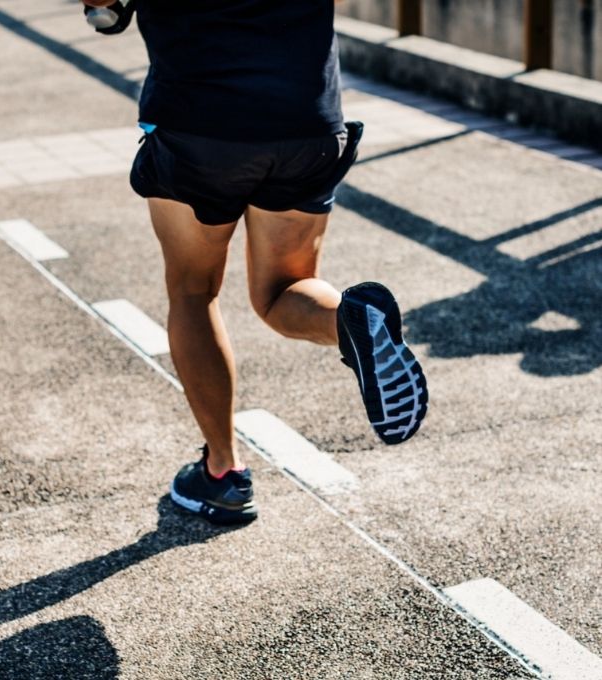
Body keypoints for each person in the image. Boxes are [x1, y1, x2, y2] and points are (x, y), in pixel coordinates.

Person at [83, 0, 428, 525]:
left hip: (199, 123)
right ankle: (348, 320)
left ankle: (223, 473)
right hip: (307, 121)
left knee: (193, 291)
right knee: (285, 287)